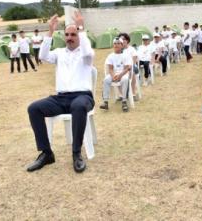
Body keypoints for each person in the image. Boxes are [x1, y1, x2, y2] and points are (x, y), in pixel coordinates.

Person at [26, 12, 95, 173]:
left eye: (74, 34)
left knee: (78, 106)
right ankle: (47, 153)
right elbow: (42, 56)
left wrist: (81, 28)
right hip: (61, 98)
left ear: (79, 35)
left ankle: (76, 153)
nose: (70, 37)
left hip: (83, 96)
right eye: (67, 35)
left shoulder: (87, 54)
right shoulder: (59, 53)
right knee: (34, 108)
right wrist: (50, 31)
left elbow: (86, 50)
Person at [100, 37, 132, 112]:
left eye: (118, 43)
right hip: (114, 74)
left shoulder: (126, 55)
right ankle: (105, 102)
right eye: (115, 43)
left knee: (125, 79)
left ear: (122, 45)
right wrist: (113, 76)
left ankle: (124, 101)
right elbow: (110, 68)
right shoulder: (110, 56)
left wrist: (120, 75)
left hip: (123, 74)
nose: (116, 45)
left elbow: (127, 68)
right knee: (106, 80)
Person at [119, 32, 139, 102]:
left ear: (127, 40)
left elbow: (134, 60)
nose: (122, 40)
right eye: (120, 39)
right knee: (117, 72)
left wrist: (129, 67)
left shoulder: (131, 49)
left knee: (132, 70)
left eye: (124, 39)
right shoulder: (119, 50)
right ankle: (121, 94)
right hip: (122, 68)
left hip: (132, 66)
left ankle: (133, 94)